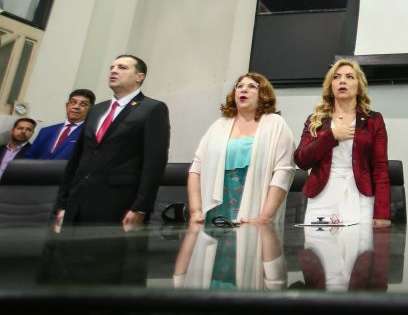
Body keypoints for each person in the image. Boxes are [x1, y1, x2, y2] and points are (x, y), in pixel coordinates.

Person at [55, 55, 170, 226]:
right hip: (77, 201)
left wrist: (140, 208)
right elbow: (77, 158)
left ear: (140, 77)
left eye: (122, 67)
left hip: (118, 205)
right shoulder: (96, 110)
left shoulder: (152, 109)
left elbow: (154, 163)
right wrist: (62, 203)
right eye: (112, 67)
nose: (114, 71)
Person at [293, 58, 391, 228]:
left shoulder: (373, 120)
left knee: (360, 252)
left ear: (359, 85)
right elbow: (301, 160)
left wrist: (382, 213)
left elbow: (380, 167)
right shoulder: (316, 120)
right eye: (337, 77)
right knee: (321, 250)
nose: (343, 81)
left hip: (361, 196)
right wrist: (331, 136)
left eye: (349, 77)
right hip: (322, 196)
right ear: (330, 86)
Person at [187, 72, 295, 225]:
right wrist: (196, 211)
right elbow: (196, 169)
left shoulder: (276, 124)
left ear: (263, 95)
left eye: (252, 87)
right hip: (215, 213)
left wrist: (265, 217)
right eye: (239, 86)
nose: (243, 90)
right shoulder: (219, 126)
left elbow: (284, 172)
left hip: (256, 215)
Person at [25, 89, 95, 160]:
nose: (76, 107)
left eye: (83, 104)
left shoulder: (90, 134)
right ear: (67, 106)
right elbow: (29, 157)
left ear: (91, 109)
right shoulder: (45, 131)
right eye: (73, 102)